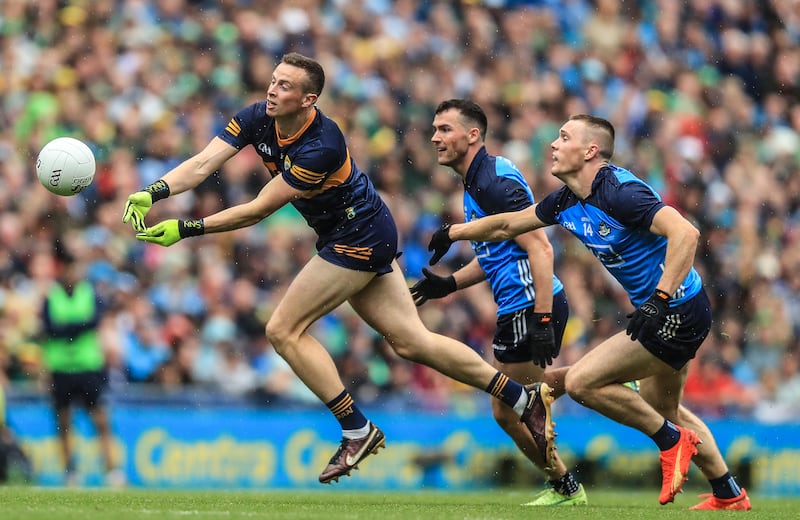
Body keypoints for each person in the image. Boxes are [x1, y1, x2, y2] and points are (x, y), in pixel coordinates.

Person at [122, 52, 556, 484]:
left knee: (282, 330)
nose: (273, 90)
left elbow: (257, 210)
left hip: (360, 236)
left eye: (286, 86)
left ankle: (356, 428)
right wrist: (153, 192)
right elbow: (201, 164)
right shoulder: (257, 117)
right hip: (354, 234)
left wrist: (187, 227)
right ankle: (521, 399)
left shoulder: (322, 144)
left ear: (309, 99)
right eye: (274, 81)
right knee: (412, 342)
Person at [425, 114, 751, 510]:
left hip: (675, 310)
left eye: (564, 137)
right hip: (669, 310)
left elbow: (686, 233)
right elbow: (508, 224)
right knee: (662, 408)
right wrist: (454, 232)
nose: (553, 144)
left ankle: (671, 441)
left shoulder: (620, 192)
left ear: (590, 151)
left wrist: (660, 297)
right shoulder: (566, 200)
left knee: (582, 384)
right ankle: (728, 492)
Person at [411, 99, 585, 506]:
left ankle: (603, 383)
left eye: (445, 129)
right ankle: (566, 481)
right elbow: (496, 255)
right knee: (512, 404)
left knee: (513, 403)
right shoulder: (479, 181)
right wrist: (450, 284)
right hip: (521, 305)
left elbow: (540, 249)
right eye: (434, 129)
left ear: (473, 135)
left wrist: (541, 317)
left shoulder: (492, 184)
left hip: (529, 305)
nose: (435, 137)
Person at [40, 252, 124, 487]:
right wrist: (77, 327)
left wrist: (66, 328)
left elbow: (91, 322)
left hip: (87, 367)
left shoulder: (90, 293)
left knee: (100, 420)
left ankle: (112, 470)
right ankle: (70, 472)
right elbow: (50, 328)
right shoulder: (52, 296)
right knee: (64, 422)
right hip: (62, 368)